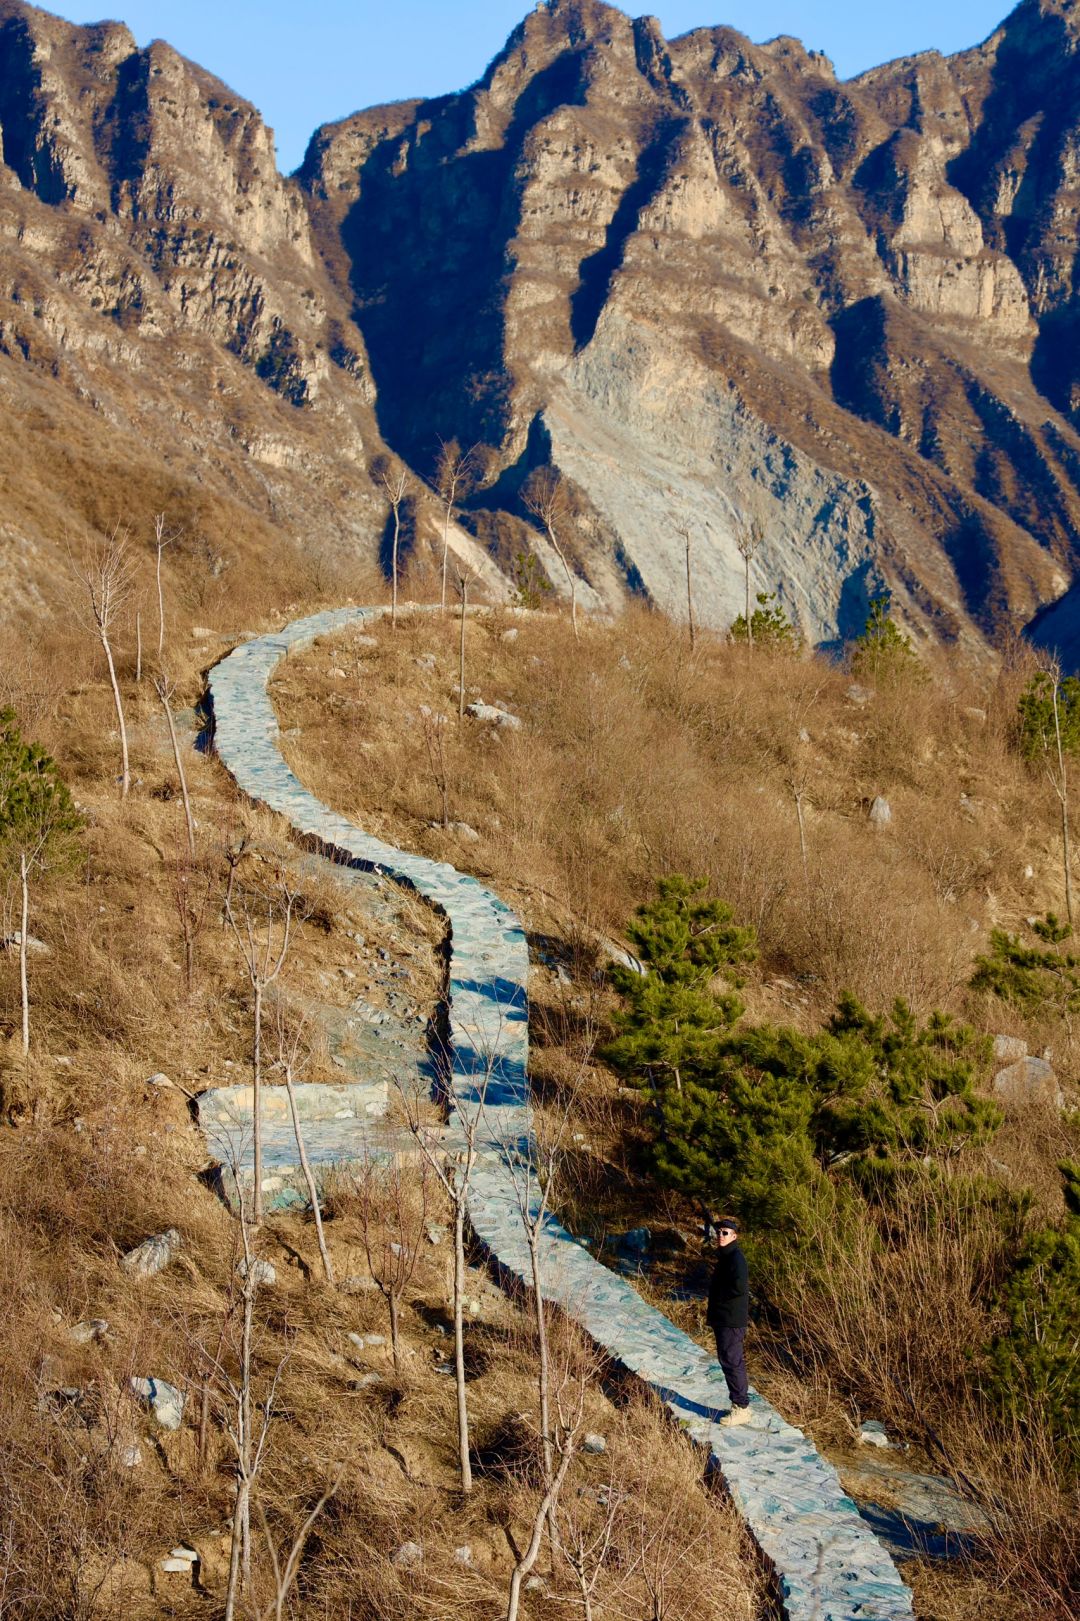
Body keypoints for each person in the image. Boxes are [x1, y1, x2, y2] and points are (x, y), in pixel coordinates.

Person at [707, 1215, 752, 1427]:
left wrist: (720, 1295)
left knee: (732, 1362)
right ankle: (739, 1404)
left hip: (731, 1320)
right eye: (719, 1233)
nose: (721, 1236)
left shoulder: (735, 1258)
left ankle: (741, 1408)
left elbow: (740, 1287)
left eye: (725, 1233)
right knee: (729, 1360)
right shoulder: (726, 1257)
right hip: (723, 1318)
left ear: (734, 1236)